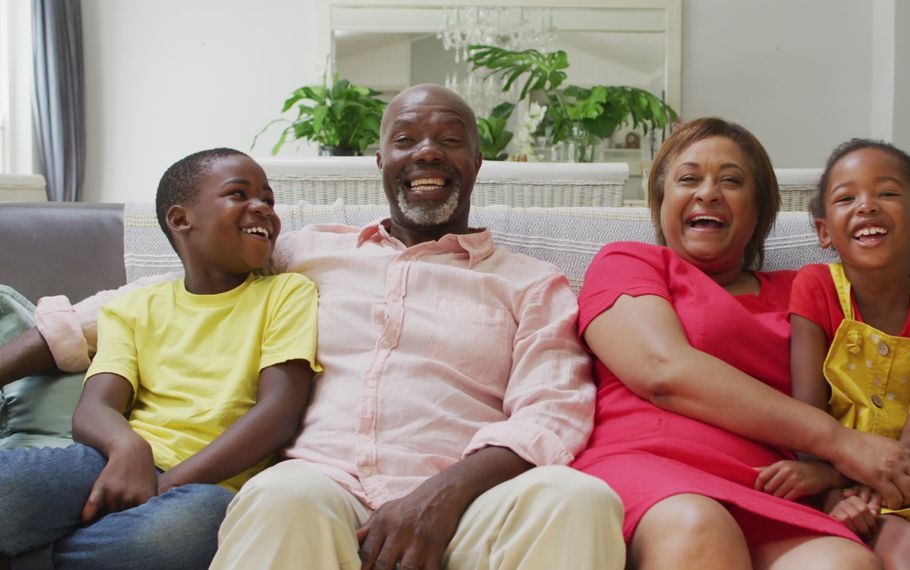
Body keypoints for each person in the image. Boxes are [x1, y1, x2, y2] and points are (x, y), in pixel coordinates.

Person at [0, 85, 625, 570]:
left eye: (450, 139)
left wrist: (443, 495)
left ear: (477, 160)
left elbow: (552, 412)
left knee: (581, 500)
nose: (427, 151)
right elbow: (150, 300)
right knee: (279, 498)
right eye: (406, 139)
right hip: (325, 484)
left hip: (471, 496)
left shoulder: (530, 281)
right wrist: (19, 353)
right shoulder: (303, 252)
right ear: (381, 160)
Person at [570, 118, 910, 569]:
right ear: (662, 201)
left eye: (731, 181)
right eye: (689, 179)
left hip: (773, 488)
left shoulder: (811, 291)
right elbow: (662, 372)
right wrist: (842, 444)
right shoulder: (629, 262)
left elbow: (905, 372)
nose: (708, 193)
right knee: (700, 527)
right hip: (651, 470)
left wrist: (837, 472)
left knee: (845, 564)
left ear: (759, 210)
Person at [0, 148, 321, 569]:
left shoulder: (287, 293)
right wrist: (126, 446)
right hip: (110, 462)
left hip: (205, 487)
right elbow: (95, 407)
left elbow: (278, 414)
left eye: (268, 199)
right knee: (12, 483)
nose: (262, 207)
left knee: (197, 525)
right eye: (238, 194)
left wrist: (165, 484)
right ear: (180, 219)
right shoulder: (133, 308)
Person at [755, 139, 910, 568]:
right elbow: (808, 414)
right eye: (846, 197)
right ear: (823, 231)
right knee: (908, 545)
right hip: (839, 487)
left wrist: (842, 475)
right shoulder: (815, 287)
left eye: (887, 193)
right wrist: (832, 485)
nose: (867, 206)